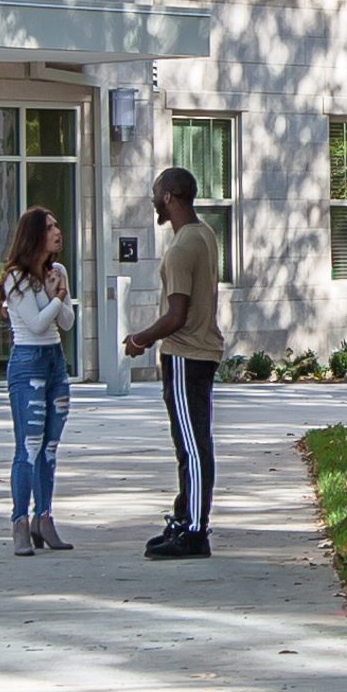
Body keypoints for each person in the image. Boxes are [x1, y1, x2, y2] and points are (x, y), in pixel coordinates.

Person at [126, 162, 225, 558]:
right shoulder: (204, 235)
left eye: (156, 193)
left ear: (169, 196)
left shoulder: (183, 247)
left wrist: (140, 339)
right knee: (191, 442)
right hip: (199, 354)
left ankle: (195, 532)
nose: (153, 200)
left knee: (192, 445)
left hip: (186, 355)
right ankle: (185, 518)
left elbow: (176, 315)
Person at [0, 207, 80, 553]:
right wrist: (56, 296)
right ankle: (19, 522)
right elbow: (35, 324)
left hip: (54, 364)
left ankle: (43, 518)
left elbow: (67, 323)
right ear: (34, 236)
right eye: (49, 228)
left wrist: (59, 294)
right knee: (28, 448)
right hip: (28, 364)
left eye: (57, 224)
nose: (57, 232)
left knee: (49, 448)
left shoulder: (57, 271)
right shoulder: (16, 278)